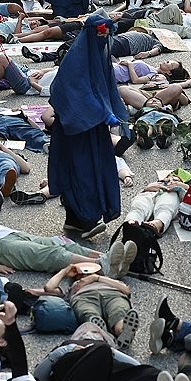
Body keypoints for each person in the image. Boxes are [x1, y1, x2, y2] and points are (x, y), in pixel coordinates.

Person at [48, 13, 125, 237]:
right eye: (100, 32)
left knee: (92, 170)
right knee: (81, 172)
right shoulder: (76, 58)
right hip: (76, 129)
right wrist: (101, 112)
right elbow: (67, 90)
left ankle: (76, 220)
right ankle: (85, 220)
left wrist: (111, 112)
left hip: (93, 127)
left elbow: (104, 88)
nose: (104, 37)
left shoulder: (99, 55)